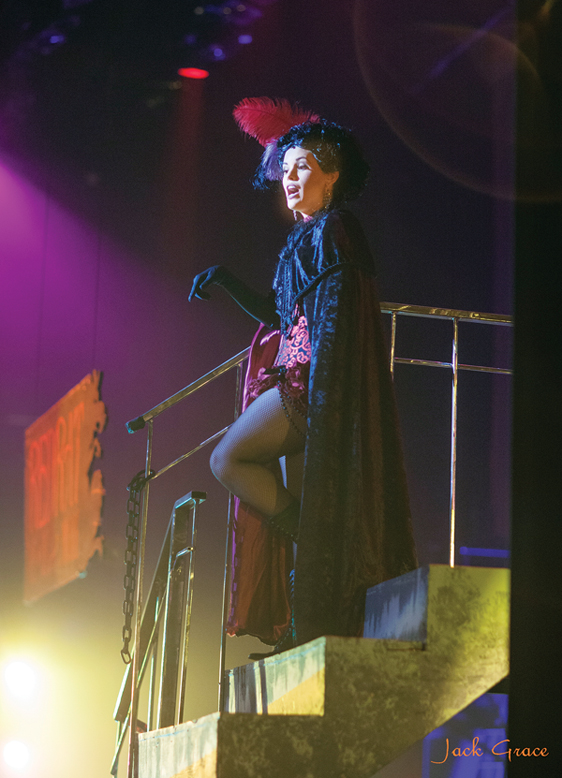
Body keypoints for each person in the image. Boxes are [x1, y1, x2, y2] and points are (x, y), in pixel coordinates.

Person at [189, 98, 417, 655]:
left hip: (313, 384)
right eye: (285, 169)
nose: (289, 179)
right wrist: (226, 280)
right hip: (302, 380)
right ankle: (309, 600)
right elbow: (279, 312)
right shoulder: (303, 237)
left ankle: (310, 538)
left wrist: (328, 387)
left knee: (227, 459)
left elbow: (341, 314)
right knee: (277, 486)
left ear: (331, 176)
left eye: (303, 168)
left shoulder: (337, 229)